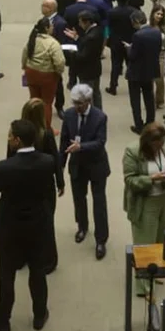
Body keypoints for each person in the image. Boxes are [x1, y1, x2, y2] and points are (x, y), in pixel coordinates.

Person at [0, 119, 58, 331]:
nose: (8, 139)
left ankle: (3, 320)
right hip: (38, 224)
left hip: (10, 226)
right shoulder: (47, 161)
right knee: (37, 271)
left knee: (7, 274)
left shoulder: (4, 167)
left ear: (17, 140)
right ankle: (39, 315)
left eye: (10, 136)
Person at [123, 123, 165, 297]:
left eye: (161, 144)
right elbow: (130, 180)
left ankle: (154, 273)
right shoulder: (132, 151)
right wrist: (151, 179)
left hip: (164, 200)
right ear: (147, 142)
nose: (159, 148)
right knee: (145, 245)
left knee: (160, 242)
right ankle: (143, 287)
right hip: (145, 203)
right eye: (156, 145)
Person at [59, 84, 110, 260]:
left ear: (88, 101)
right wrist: (60, 167)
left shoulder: (100, 117)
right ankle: (82, 227)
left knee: (99, 203)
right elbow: (64, 141)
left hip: (96, 165)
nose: (76, 107)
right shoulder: (69, 115)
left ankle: (101, 240)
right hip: (77, 166)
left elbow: (100, 142)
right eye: (74, 103)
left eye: (79, 103)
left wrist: (81, 147)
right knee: (79, 199)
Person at [22, 17, 66, 133]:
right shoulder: (52, 43)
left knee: (34, 100)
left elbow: (25, 55)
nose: (53, 27)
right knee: (46, 103)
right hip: (47, 75)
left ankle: (33, 127)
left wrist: (25, 67)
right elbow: (59, 62)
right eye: (51, 26)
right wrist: (58, 72)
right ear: (46, 28)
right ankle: (46, 130)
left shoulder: (32, 39)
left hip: (31, 72)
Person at [19, 98, 64, 196]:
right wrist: (60, 182)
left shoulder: (17, 134)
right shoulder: (47, 135)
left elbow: (10, 158)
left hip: (23, 180)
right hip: (44, 181)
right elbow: (55, 158)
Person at [126, 11, 161, 134]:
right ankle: (150, 122)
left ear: (136, 21)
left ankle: (138, 125)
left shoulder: (137, 35)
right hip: (150, 70)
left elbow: (132, 56)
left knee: (135, 100)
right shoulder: (156, 32)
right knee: (149, 97)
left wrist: (128, 48)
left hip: (136, 72)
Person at [106, 0, 137, 96]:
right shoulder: (133, 11)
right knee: (131, 65)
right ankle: (134, 86)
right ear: (127, 0)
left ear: (117, 1)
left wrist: (106, 39)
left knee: (115, 65)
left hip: (116, 42)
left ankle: (113, 87)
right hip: (130, 41)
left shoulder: (111, 12)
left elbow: (108, 27)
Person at [150, 7, 165, 111]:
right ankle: (150, 101)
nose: (159, 16)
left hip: (161, 55)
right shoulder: (148, 26)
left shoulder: (164, 26)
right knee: (149, 79)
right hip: (149, 55)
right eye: (157, 14)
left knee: (160, 79)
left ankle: (160, 100)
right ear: (153, 14)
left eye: (161, 14)